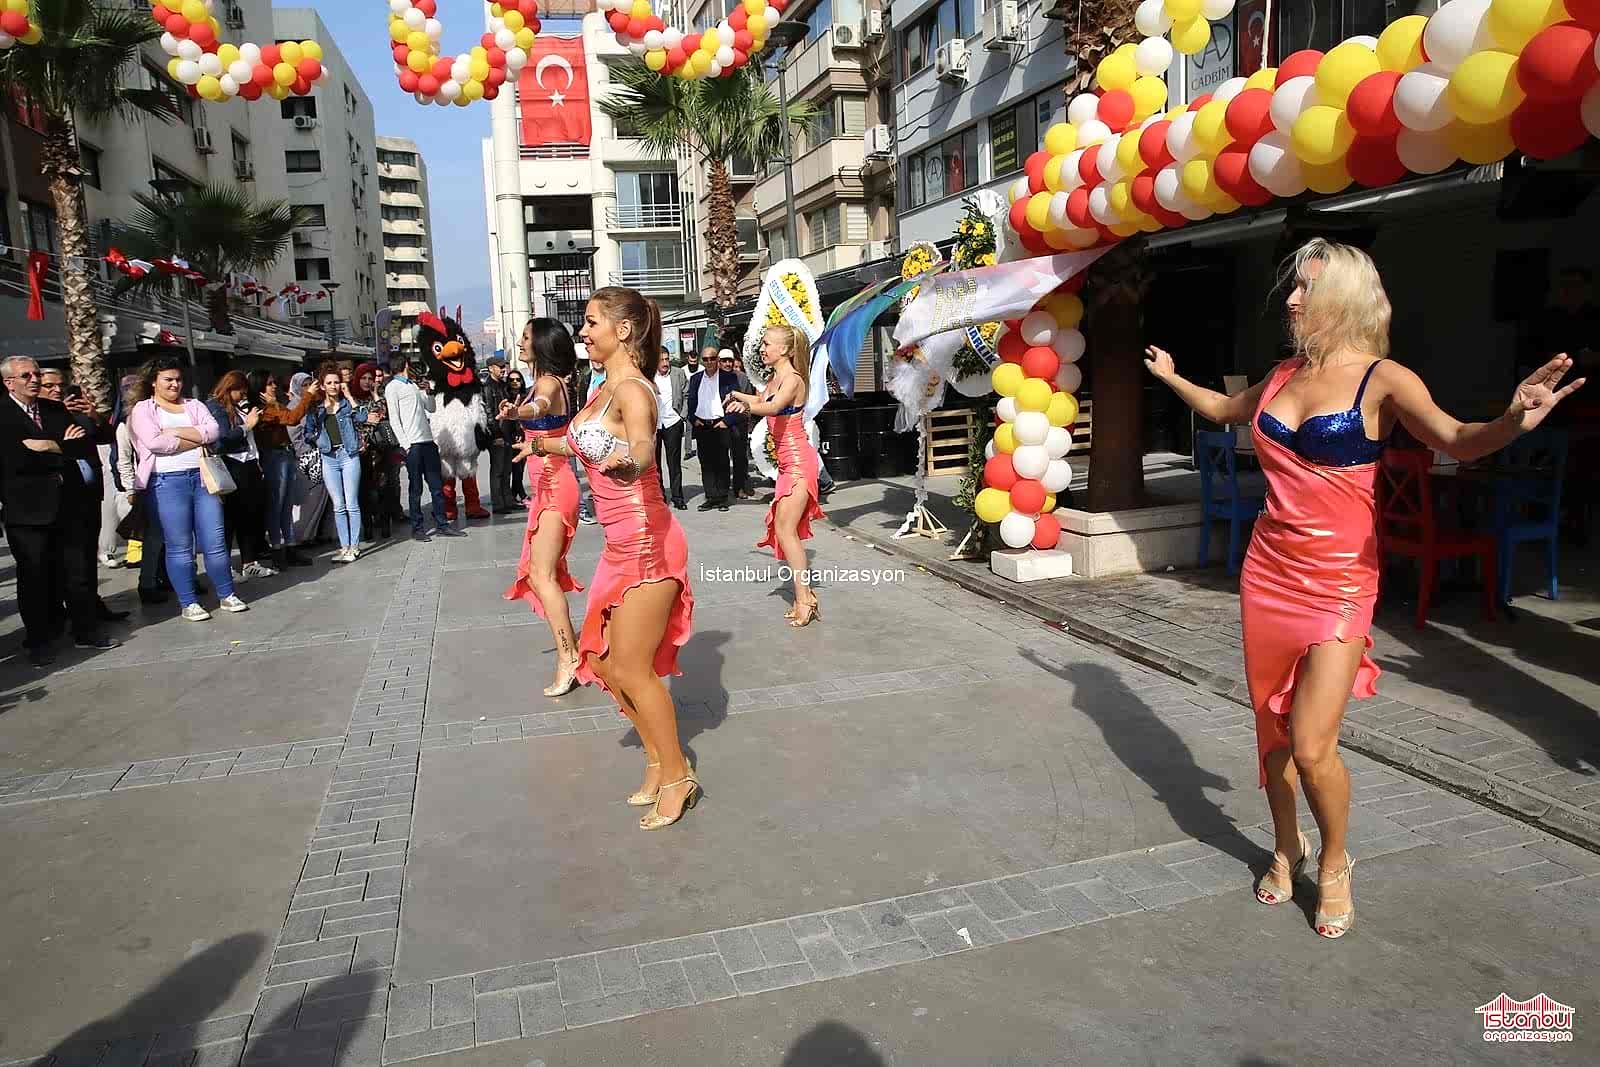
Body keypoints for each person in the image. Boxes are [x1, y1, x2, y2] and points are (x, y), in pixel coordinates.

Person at [1144, 238, 1584, 940]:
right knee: (1273, 736)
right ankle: (1286, 847)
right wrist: (1172, 379)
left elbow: (1457, 438)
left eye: (1307, 288)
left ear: (1345, 298)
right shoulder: (1283, 373)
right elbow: (1226, 410)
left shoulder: (1384, 379)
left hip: (1341, 581)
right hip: (1268, 575)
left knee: (1312, 744)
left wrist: (1512, 420)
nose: (1292, 299)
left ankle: (1335, 861)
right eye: (1293, 287)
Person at [560, 286, 697, 830]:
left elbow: (641, 447)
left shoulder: (634, 390)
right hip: (618, 547)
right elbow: (583, 443)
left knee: (633, 669)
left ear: (623, 331)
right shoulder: (601, 389)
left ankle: (678, 776)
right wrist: (542, 445)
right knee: (599, 660)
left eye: (591, 321)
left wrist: (632, 464)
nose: (584, 331)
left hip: (646, 543)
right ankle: (660, 760)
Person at [0, 356, 119, 665]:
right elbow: (14, 459)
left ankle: (86, 631)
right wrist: (61, 447)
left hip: (69, 504)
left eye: (36, 374)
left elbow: (83, 447)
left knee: (77, 572)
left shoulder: (55, 410)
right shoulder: (3, 414)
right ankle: (39, 640)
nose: (34, 380)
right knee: (35, 578)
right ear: (9, 382)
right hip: (27, 511)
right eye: (26, 376)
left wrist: (47, 447)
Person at [500, 318, 585, 696]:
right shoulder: (542, 381)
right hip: (545, 492)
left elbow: (541, 406)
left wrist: (518, 414)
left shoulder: (549, 383)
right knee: (539, 575)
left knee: (543, 575)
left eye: (525, 337)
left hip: (556, 490)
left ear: (543, 345)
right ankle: (571, 648)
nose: (520, 343)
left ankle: (569, 658)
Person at [128, 355, 249, 622]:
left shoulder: (193, 405)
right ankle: (188, 602)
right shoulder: (143, 410)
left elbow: (213, 432)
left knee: (215, 541)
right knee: (179, 546)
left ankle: (227, 594)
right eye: (168, 380)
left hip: (203, 478)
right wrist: (194, 437)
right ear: (154, 382)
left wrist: (174, 432)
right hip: (166, 482)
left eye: (178, 379)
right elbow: (155, 443)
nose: (175, 384)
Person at [728, 326, 828, 627]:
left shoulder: (793, 379)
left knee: (786, 531)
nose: (762, 348)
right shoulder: (775, 378)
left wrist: (747, 405)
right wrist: (738, 394)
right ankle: (804, 597)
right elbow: (763, 397)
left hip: (798, 464)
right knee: (786, 530)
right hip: (787, 465)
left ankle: (804, 599)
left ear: (784, 349)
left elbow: (772, 406)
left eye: (767, 344)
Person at [39, 367, 129, 623]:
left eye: (61, 385)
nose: (57, 390)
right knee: (68, 560)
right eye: (49, 386)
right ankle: (70, 612)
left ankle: (93, 605)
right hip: (61, 495)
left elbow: (105, 437)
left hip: (89, 491)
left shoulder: (77, 413)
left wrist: (94, 416)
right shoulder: (38, 417)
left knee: (88, 554)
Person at [205, 371, 275, 581]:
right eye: (240, 393)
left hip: (249, 464)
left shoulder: (237, 406)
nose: (243, 397)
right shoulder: (216, 407)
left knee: (249, 517)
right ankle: (225, 567)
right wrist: (247, 426)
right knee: (229, 519)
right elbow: (223, 438)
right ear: (229, 389)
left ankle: (249, 562)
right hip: (232, 465)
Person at [386, 356, 464, 541]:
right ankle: (418, 528)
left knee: (436, 486)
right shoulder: (393, 387)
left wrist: (428, 391)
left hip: (428, 442)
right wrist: (406, 445)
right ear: (406, 365)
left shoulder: (414, 385)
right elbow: (394, 419)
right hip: (413, 444)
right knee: (416, 488)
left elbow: (431, 408)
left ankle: (442, 524)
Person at [304, 361, 377, 562]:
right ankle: (344, 546)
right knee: (338, 505)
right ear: (322, 385)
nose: (333, 386)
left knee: (351, 503)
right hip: (329, 457)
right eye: (329, 383)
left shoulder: (345, 404)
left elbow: (362, 417)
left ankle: (354, 546)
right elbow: (307, 433)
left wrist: (350, 397)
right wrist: (318, 439)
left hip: (349, 455)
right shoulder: (316, 409)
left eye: (336, 382)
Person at [249, 370, 317, 568]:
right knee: (276, 505)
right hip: (273, 457)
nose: (274, 386)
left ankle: (290, 547)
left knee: (286, 505)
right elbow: (291, 418)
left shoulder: (273, 405)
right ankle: (278, 549)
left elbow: (286, 415)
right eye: (269, 383)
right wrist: (308, 395)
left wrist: (275, 403)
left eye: (273, 382)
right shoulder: (262, 409)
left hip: (285, 454)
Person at [687, 347, 741, 511]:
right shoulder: (696, 379)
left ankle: (723, 497)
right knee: (706, 462)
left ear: (717, 359)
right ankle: (711, 496)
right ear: (702, 361)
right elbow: (691, 400)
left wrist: (727, 421)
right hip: (702, 425)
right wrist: (694, 419)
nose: (709, 362)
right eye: (705, 359)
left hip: (720, 424)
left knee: (722, 461)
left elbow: (736, 401)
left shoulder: (729, 377)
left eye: (712, 358)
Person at [350, 362, 395, 543]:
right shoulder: (350, 398)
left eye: (370, 378)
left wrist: (375, 394)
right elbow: (351, 419)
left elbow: (382, 412)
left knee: (383, 488)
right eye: (363, 378)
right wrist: (365, 418)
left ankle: (384, 523)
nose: (367, 382)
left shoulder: (375, 398)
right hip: (360, 451)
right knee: (364, 490)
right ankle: (367, 525)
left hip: (379, 450)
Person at [654, 346, 689, 510]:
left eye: (667, 359)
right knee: (655, 463)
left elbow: (687, 394)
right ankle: (659, 496)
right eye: (661, 360)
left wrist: (682, 415)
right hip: (655, 424)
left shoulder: (678, 374)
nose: (665, 363)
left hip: (673, 422)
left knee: (674, 463)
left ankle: (678, 497)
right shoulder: (648, 375)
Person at [481, 354, 517, 514]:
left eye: (504, 366)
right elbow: (488, 413)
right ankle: (498, 503)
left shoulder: (503, 385)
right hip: (497, 434)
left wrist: (515, 430)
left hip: (508, 431)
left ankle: (508, 500)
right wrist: (496, 435)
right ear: (491, 368)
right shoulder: (487, 387)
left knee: (507, 468)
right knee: (498, 470)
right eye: (500, 367)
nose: (503, 369)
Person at [720, 351, 755, 499]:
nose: (727, 364)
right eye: (724, 361)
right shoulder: (715, 377)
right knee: (722, 457)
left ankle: (740, 487)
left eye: (730, 361)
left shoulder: (741, 377)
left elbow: (749, 400)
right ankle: (723, 488)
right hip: (721, 422)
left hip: (739, 422)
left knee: (740, 457)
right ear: (719, 362)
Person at [503, 369, 529, 504]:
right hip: (509, 434)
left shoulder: (525, 396)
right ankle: (520, 494)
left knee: (520, 466)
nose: (515, 382)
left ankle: (516, 493)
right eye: (511, 380)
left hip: (523, 433)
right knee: (514, 466)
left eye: (518, 379)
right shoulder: (505, 396)